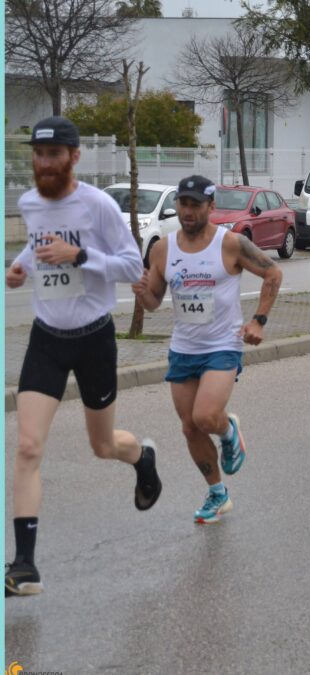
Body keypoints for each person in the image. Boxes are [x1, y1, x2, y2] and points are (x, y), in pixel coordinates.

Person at [5, 116, 161, 597]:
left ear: (74, 157)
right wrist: (20, 266)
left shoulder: (97, 205)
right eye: (38, 154)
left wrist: (78, 258)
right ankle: (24, 566)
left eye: (54, 155)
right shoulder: (29, 203)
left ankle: (142, 458)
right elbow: (37, 251)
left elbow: (133, 266)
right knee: (28, 447)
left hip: (94, 338)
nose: (44, 163)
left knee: (101, 445)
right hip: (46, 337)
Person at [132, 175, 282, 524]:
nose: (187, 211)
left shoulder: (229, 245)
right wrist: (143, 292)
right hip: (183, 348)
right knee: (190, 427)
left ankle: (229, 432)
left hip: (222, 345)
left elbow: (273, 273)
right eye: (183, 204)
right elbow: (154, 301)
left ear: (211, 207)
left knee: (205, 416)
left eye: (195, 205)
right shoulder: (163, 249)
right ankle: (217, 493)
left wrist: (258, 320)